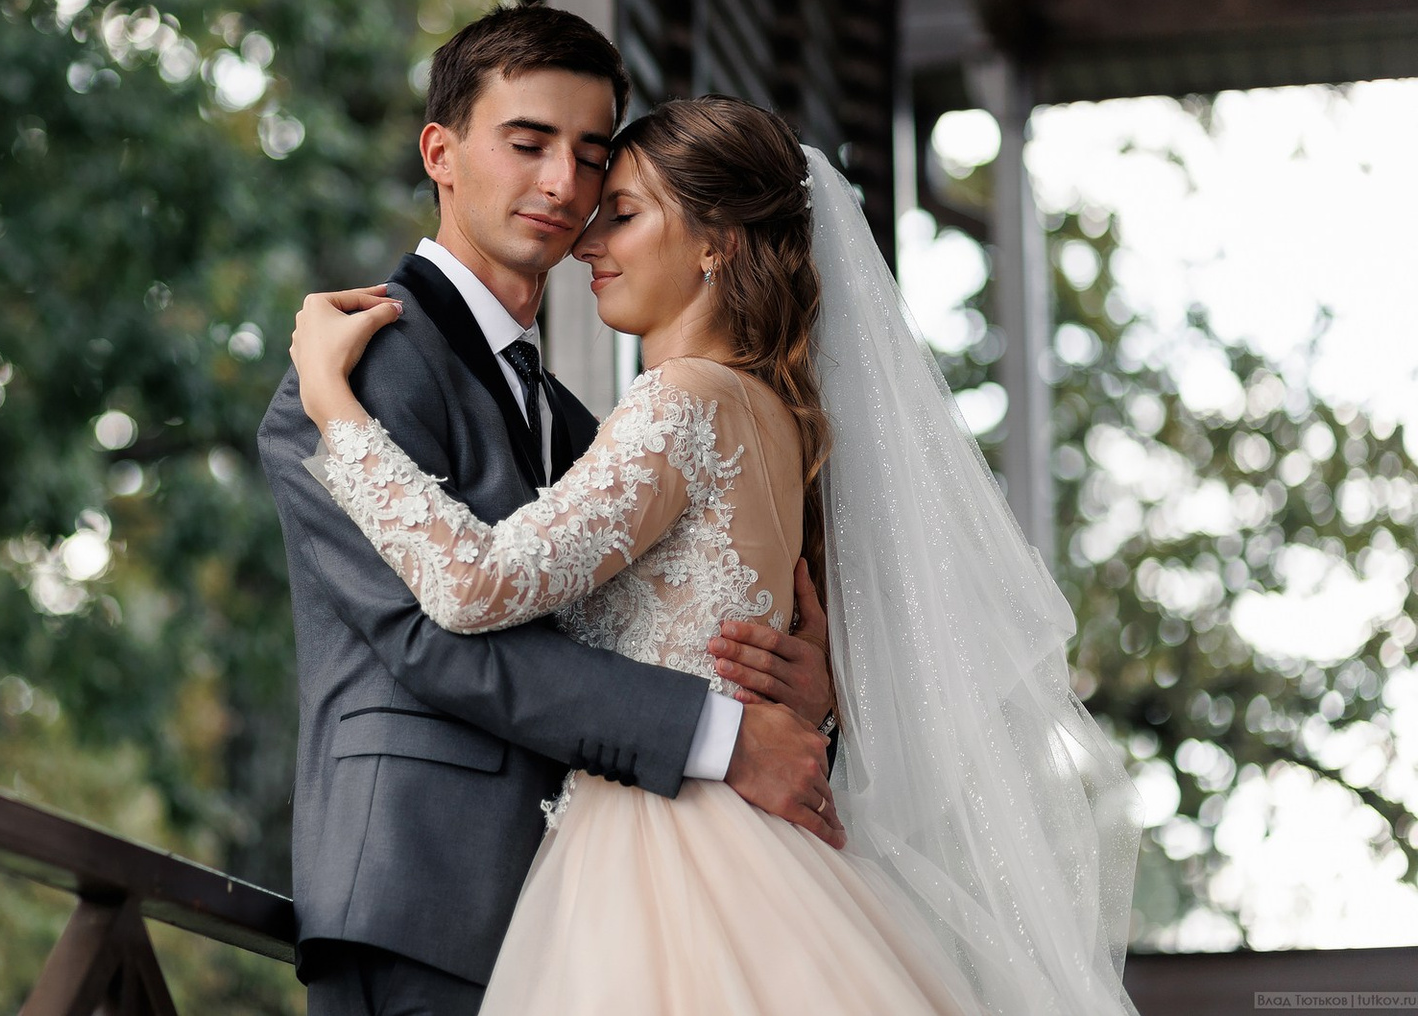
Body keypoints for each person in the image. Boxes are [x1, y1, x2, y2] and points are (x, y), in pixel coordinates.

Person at [289, 96, 1143, 1014]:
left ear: (715, 243)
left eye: (622, 214)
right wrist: (817, 697)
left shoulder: (678, 405)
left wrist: (332, 401)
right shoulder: (776, 418)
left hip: (661, 851)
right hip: (755, 849)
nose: (587, 241)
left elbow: (475, 583)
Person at [255, 7, 845, 1016]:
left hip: (596, 907)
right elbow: (434, 642)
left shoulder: (589, 420)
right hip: (422, 895)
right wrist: (722, 736)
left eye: (590, 156)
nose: (566, 186)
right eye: (527, 143)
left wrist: (802, 695)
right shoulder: (353, 375)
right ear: (440, 153)